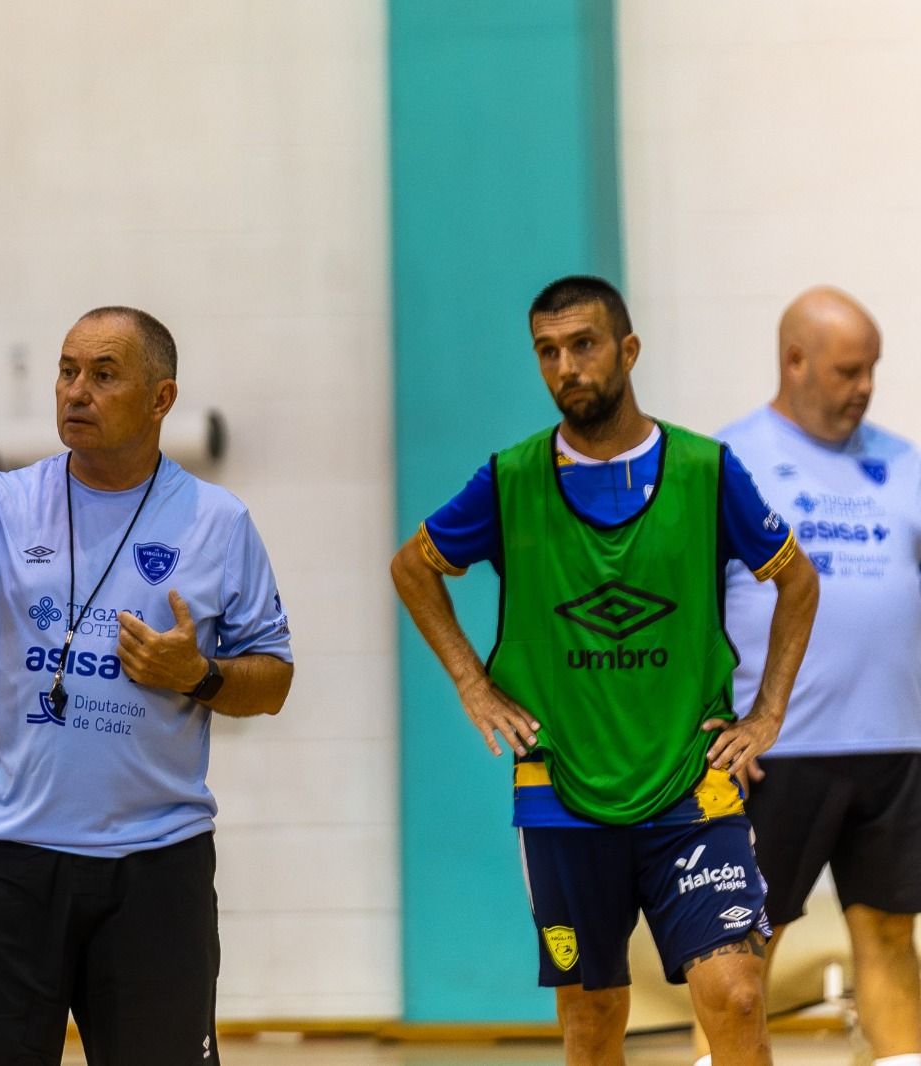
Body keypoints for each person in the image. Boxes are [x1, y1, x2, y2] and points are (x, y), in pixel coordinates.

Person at [391, 275, 819, 1066]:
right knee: (593, 1023)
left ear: (627, 350)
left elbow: (797, 579)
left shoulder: (706, 470)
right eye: (547, 352)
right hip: (561, 796)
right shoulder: (510, 479)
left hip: (692, 781)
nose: (565, 367)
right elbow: (414, 567)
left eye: (583, 345)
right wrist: (470, 681)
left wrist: (767, 714)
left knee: (738, 994)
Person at [0, 306, 294, 1066]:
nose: (75, 392)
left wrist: (200, 674)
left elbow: (274, 679)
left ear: (161, 399)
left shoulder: (218, 523)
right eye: (67, 371)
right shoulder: (0, 502)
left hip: (157, 864)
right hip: (6, 859)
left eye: (102, 374)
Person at [690, 287, 921, 1066]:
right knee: (742, 948)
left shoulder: (902, 463)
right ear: (795, 361)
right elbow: (685, 616)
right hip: (775, 755)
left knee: (891, 932)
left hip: (895, 750)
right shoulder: (727, 464)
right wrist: (709, 724)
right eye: (849, 371)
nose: (864, 388)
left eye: (872, 371)